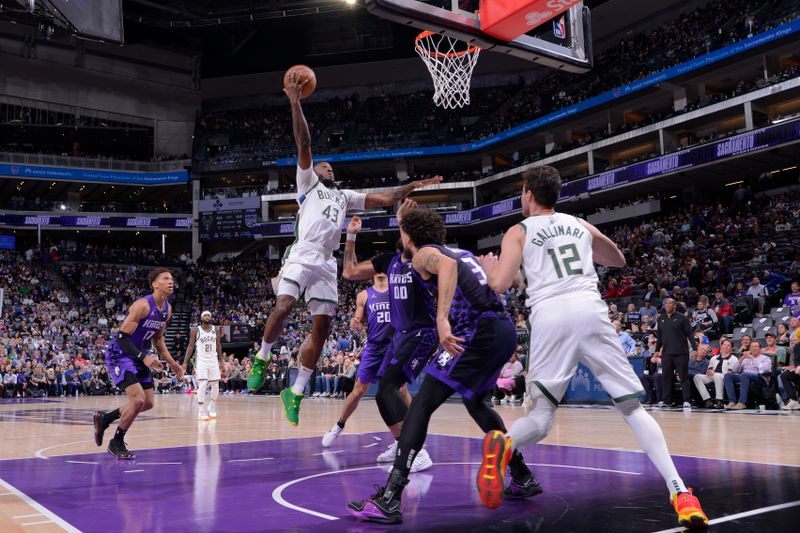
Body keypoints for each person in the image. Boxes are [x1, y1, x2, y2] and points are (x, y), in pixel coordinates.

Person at [474, 166, 707, 528]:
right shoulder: (579, 224)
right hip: (590, 311)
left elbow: (501, 285)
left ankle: (503, 444)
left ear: (528, 194)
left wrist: (487, 269)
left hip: (550, 316)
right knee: (632, 409)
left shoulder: (517, 230)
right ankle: (680, 492)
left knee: (541, 418)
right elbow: (618, 260)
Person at [247, 72, 442, 426]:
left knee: (321, 329)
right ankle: (262, 356)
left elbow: (385, 197)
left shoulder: (344, 196)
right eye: (325, 164)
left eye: (330, 165)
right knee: (285, 304)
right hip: (302, 253)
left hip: (326, 263)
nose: (328, 166)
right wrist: (295, 102)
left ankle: (297, 391)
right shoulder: (307, 184)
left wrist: (412, 186)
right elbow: (304, 144)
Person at [348, 208, 537, 524]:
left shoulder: (425, 254)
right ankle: (522, 474)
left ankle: (390, 498)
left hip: (475, 331)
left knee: (421, 404)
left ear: (410, 236)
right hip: (501, 330)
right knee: (476, 401)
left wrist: (441, 318)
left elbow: (446, 266)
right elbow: (512, 277)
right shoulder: (462, 251)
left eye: (401, 231)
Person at [339, 200, 435, 469]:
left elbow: (413, 241)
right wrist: (351, 236)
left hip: (423, 332)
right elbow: (349, 271)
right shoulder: (388, 262)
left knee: (391, 387)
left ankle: (417, 450)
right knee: (384, 392)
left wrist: (403, 218)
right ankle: (402, 442)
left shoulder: (422, 259)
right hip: (402, 336)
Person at [93, 268, 184, 459]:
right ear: (155, 284)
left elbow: (158, 341)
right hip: (120, 354)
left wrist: (174, 364)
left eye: (172, 279)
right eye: (166, 279)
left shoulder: (167, 310)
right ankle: (116, 442)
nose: (171, 281)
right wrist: (144, 357)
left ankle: (106, 418)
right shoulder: (142, 305)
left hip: (140, 355)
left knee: (148, 403)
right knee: (138, 400)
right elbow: (121, 338)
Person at [322, 273, 396, 445]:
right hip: (373, 347)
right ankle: (339, 426)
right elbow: (359, 323)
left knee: (399, 390)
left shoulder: (397, 291)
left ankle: (406, 435)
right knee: (358, 391)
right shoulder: (364, 295)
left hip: (393, 346)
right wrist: (357, 325)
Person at [656, 298, 697, 408]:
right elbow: (659, 337)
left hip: (681, 353)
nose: (667, 305)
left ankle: (687, 400)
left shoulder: (682, 318)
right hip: (667, 353)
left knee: (683, 377)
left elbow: (690, 334)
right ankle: (666, 401)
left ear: (674, 305)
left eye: (669, 303)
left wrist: (695, 349)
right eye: (666, 303)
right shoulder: (661, 319)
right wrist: (656, 350)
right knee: (666, 377)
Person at [183, 310, 223, 421]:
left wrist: (221, 360)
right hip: (201, 360)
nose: (207, 317)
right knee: (203, 383)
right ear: (201, 318)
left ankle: (211, 405)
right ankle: (201, 410)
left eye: (208, 315)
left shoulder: (216, 329)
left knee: (215, 385)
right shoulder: (196, 330)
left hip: (213, 359)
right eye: (205, 315)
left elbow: (218, 345)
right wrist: (185, 362)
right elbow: (191, 347)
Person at [724, 340, 772, 409]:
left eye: (756, 346)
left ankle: (742, 402)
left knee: (745, 374)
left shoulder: (765, 358)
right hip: (744, 376)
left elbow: (764, 369)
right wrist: (741, 359)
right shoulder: (746, 359)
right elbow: (734, 370)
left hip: (759, 377)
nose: (753, 348)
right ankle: (732, 401)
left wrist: (753, 359)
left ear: (760, 349)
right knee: (728, 375)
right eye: (752, 346)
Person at [694, 338, 738, 408]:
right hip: (713, 376)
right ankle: (707, 400)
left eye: (728, 345)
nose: (725, 346)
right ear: (721, 346)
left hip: (725, 377)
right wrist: (709, 372)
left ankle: (719, 400)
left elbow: (731, 373)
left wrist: (714, 373)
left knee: (717, 375)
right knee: (697, 377)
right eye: (724, 345)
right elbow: (710, 368)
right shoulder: (714, 358)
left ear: (731, 348)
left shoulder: (734, 359)